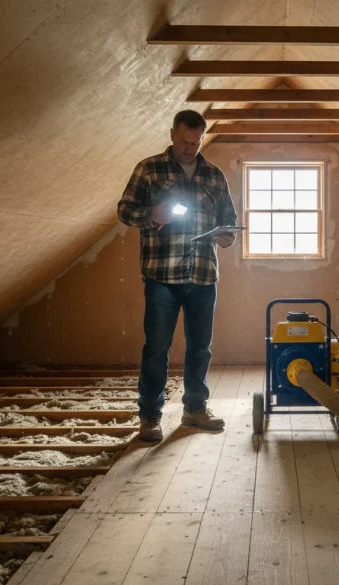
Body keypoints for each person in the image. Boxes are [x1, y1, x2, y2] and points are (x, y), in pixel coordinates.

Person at [116, 110, 237, 443]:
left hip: (203, 276)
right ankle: (150, 417)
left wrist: (227, 236)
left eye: (196, 142)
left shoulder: (213, 175)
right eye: (185, 141)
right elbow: (124, 210)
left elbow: (229, 220)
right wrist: (151, 214)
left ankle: (195, 409)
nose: (190, 148)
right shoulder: (149, 169)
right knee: (156, 348)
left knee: (200, 348)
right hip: (161, 275)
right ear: (172, 134)